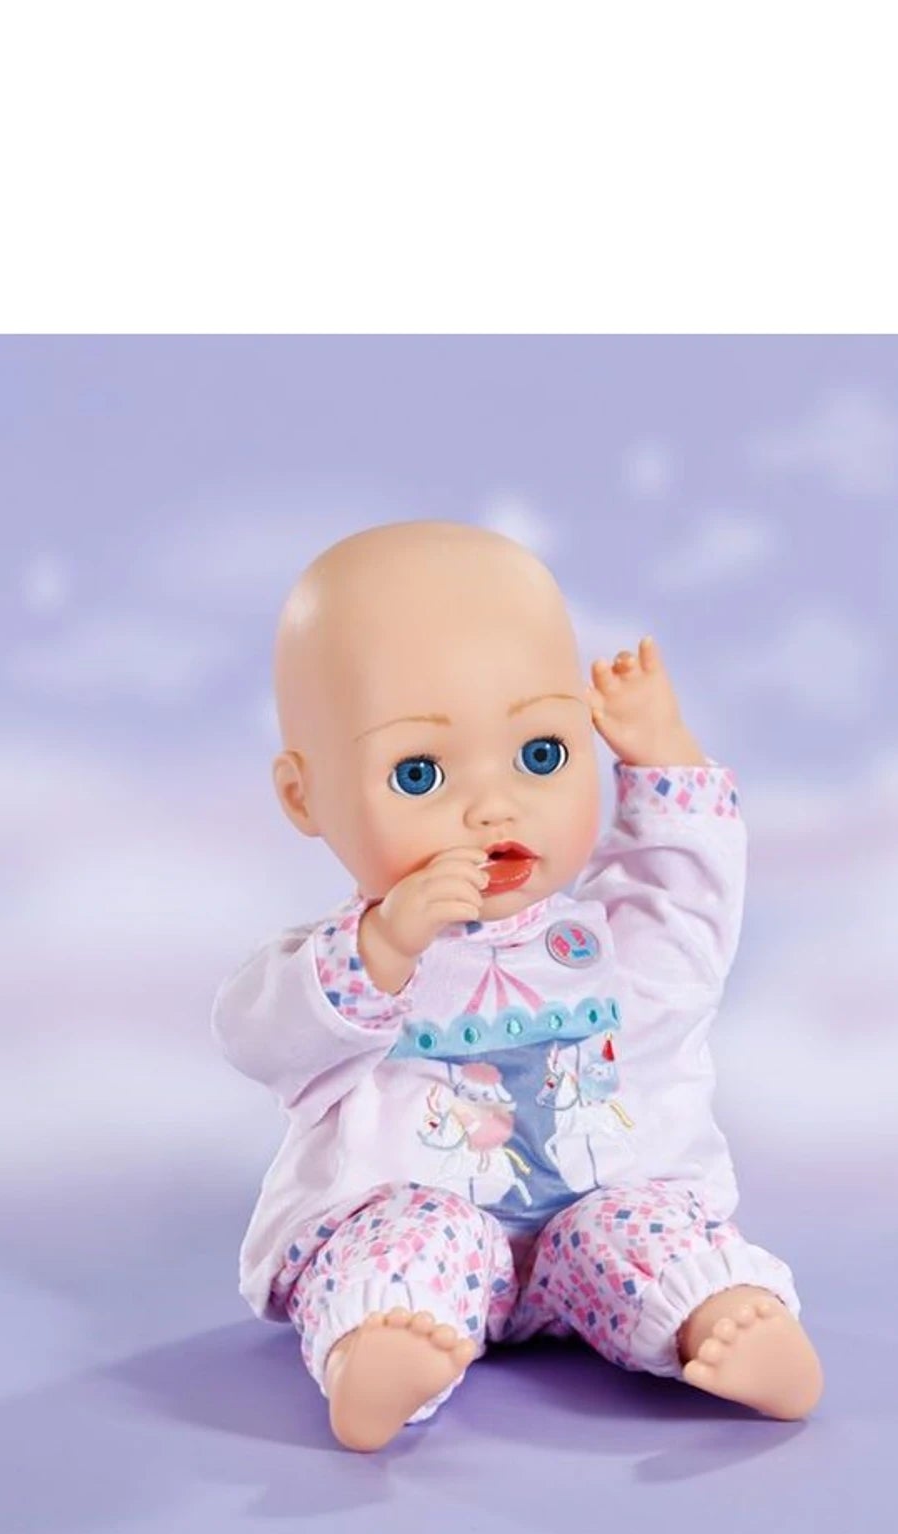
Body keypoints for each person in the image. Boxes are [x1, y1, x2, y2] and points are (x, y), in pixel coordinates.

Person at [212, 520, 823, 1450]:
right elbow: (261, 1036)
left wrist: (665, 760)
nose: (492, 806)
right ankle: (381, 1342)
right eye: (419, 773)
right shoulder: (343, 963)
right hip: (423, 1215)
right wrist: (382, 948)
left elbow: (686, 911)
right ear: (305, 795)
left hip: (595, 1216)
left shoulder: (610, 945)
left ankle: (717, 1313)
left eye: (542, 754)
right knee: (406, 1238)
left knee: (642, 1225)